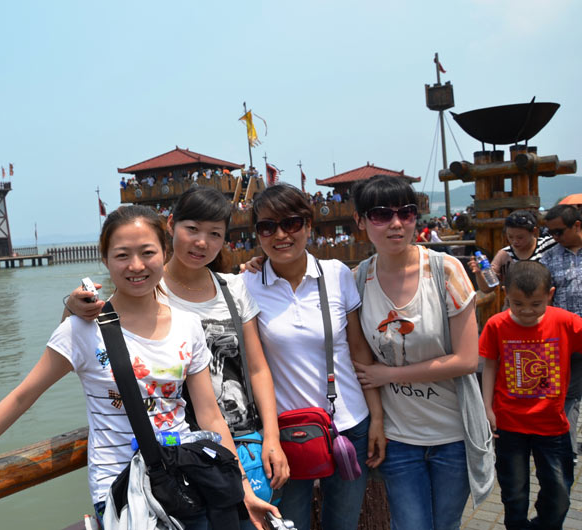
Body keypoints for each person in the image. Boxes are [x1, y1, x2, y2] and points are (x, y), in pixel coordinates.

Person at [0, 205, 250, 529]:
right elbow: (23, 396)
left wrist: (243, 488)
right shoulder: (82, 329)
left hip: (189, 475)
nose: (136, 266)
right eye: (122, 255)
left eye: (147, 252)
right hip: (121, 487)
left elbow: (210, 415)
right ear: (105, 259)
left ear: (165, 253)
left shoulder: (187, 325)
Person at [64, 188, 287, 530]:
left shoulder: (234, 287)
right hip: (185, 452)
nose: (202, 242)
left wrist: (272, 436)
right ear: (171, 226)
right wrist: (69, 307)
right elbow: (93, 337)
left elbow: (257, 368)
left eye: (215, 234)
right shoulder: (145, 287)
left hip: (241, 442)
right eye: (192, 229)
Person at [241, 183, 386, 530]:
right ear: (257, 234)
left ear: (308, 225)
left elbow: (358, 351)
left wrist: (377, 418)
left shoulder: (336, 274)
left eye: (291, 223)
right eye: (267, 227)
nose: (280, 235)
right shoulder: (246, 284)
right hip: (287, 433)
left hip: (348, 426)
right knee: (290, 524)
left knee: (343, 524)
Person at [349, 175, 489, 530]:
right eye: (381, 215)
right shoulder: (357, 280)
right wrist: (258, 265)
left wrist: (390, 375)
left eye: (406, 213)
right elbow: (362, 360)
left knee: (446, 524)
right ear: (361, 221)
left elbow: (467, 360)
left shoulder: (445, 271)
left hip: (453, 434)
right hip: (398, 436)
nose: (396, 223)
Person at [480, 260, 582, 530]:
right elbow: (489, 366)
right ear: (506, 294)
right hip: (509, 424)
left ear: (550, 294)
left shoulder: (566, 321)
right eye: (518, 304)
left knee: (559, 493)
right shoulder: (496, 324)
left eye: (535, 304)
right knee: (514, 493)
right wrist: (486, 408)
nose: (526, 311)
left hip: (552, 425)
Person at [542, 204, 582, 460]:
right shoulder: (548, 257)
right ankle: (567, 450)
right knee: (569, 396)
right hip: (566, 339)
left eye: (559, 231)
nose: (555, 237)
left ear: (577, 225)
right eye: (551, 233)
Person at [469, 209, 556, 295]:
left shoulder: (548, 245)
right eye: (510, 237)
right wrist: (479, 273)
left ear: (534, 231)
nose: (515, 241)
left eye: (520, 237)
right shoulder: (504, 255)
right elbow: (487, 288)